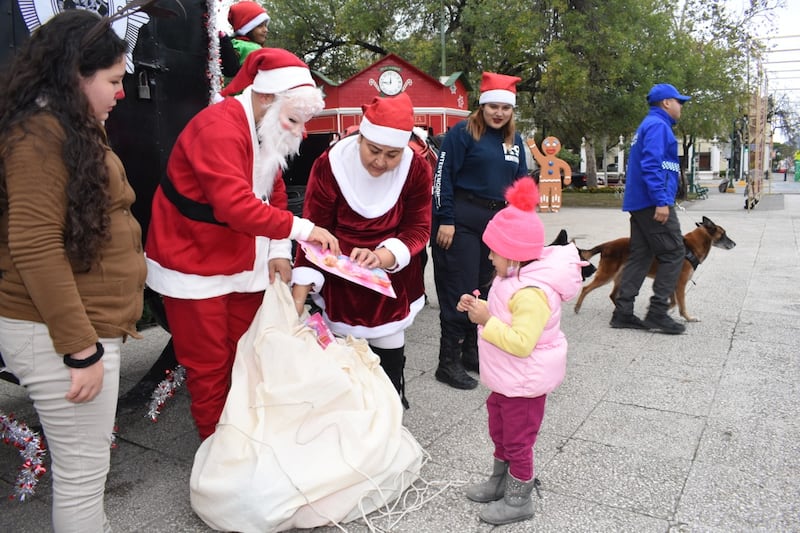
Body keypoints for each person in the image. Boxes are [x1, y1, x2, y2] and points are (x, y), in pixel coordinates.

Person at [144, 48, 339, 439]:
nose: (300, 132)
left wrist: (279, 251)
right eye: (294, 119)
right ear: (267, 97)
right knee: (209, 366)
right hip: (194, 262)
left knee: (246, 353)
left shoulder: (265, 125)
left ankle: (243, 435)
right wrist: (302, 230)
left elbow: (275, 188)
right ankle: (218, 452)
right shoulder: (218, 127)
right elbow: (236, 207)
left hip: (243, 260)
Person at [0, 10, 146, 532]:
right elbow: (34, 246)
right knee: (83, 475)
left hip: (70, 329)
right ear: (73, 75)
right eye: (112, 81)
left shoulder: (61, 125)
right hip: (61, 335)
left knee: (84, 472)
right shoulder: (38, 136)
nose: (120, 93)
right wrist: (80, 348)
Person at [291, 92, 432, 408]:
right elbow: (314, 230)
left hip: (389, 283)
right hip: (340, 280)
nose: (381, 162)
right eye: (374, 150)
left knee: (388, 359)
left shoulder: (417, 168)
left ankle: (393, 399)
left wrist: (384, 255)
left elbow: (418, 228)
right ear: (361, 138)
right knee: (342, 368)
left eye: (392, 154)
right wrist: (298, 295)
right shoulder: (330, 165)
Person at [456, 177, 583, 525]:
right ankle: (500, 479)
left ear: (512, 254)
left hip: (523, 384)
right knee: (499, 430)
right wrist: (478, 307)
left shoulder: (531, 293)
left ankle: (519, 497)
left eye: (494, 251)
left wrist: (486, 321)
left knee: (518, 440)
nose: (489, 256)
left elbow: (522, 342)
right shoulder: (511, 278)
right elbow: (502, 315)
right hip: (506, 379)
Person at [431, 72, 528, 390]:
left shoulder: (514, 140)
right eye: (493, 107)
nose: (499, 113)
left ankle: (473, 353)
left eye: (506, 108)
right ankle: (448, 362)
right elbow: (442, 177)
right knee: (459, 290)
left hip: (496, 225)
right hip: (460, 220)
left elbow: (521, 186)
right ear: (482, 106)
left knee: (485, 291)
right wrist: (445, 218)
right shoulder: (461, 133)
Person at [610, 83, 690, 335]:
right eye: (679, 102)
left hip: (641, 202)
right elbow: (653, 165)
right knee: (675, 252)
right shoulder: (658, 126)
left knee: (641, 255)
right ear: (666, 103)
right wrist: (661, 200)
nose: (681, 106)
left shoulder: (651, 125)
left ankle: (622, 312)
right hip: (652, 202)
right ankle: (657, 312)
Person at [228, 1, 270, 66]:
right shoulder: (248, 49)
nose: (266, 30)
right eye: (260, 26)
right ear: (247, 29)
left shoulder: (234, 44)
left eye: (265, 26)